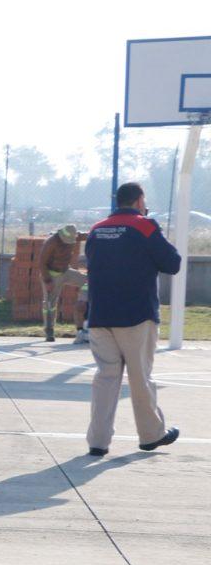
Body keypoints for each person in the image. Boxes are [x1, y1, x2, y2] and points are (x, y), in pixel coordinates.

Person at [83, 182, 182, 456]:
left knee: (105, 378)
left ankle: (98, 441)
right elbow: (172, 263)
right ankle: (151, 435)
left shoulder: (96, 229)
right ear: (139, 201)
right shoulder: (145, 226)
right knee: (140, 378)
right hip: (136, 316)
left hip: (101, 315)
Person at [35, 224, 89, 343]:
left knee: (88, 281)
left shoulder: (73, 235)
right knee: (50, 303)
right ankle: (49, 330)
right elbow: (41, 263)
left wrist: (97, 233)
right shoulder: (51, 242)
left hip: (66, 271)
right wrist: (48, 281)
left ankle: (85, 310)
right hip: (51, 275)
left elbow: (86, 235)